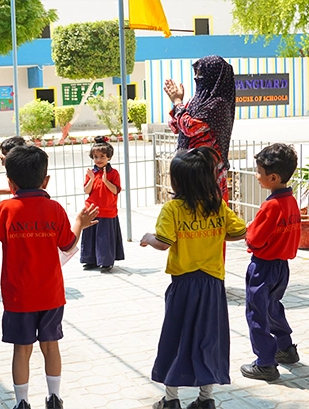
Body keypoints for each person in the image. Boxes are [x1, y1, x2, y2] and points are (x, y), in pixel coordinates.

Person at [0, 145, 99, 409]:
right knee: (51, 346)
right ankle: (55, 397)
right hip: (51, 295)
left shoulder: (5, 209)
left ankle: (22, 402)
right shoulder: (55, 209)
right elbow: (68, 245)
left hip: (18, 297)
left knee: (21, 349)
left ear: (10, 182)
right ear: (45, 180)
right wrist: (80, 222)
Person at [140, 147, 246, 409]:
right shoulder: (218, 206)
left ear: (178, 181)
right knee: (208, 339)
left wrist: (147, 238)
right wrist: (218, 234)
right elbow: (240, 231)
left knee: (175, 337)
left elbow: (164, 242)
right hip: (212, 285)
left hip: (184, 285)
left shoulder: (173, 209)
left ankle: (171, 399)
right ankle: (206, 398)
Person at [240, 143, 301, 381]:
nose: (256, 176)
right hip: (281, 267)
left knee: (257, 313)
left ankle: (265, 362)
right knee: (274, 307)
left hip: (262, 267)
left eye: (259, 172)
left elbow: (255, 240)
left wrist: (249, 230)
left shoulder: (271, 205)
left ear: (273, 177)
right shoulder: (291, 202)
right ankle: (286, 348)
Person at [163, 55, 235, 202]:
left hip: (207, 171)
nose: (197, 78)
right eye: (196, 74)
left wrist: (178, 103)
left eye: (200, 74)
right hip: (190, 168)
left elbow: (190, 127)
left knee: (209, 215)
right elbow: (176, 126)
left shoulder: (218, 104)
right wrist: (179, 105)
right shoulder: (198, 100)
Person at [80, 135, 124, 272]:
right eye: (96, 157)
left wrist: (106, 181)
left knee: (105, 237)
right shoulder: (90, 173)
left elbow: (116, 190)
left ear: (109, 157)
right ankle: (90, 260)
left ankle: (106, 262)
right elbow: (86, 190)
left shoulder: (114, 173)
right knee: (90, 236)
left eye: (102, 157)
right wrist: (91, 180)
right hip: (91, 209)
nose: (98, 160)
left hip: (108, 210)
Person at [0, 136, 26, 200]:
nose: (0, 156)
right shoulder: (15, 170)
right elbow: (18, 189)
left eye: (4, 154)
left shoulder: (25, 171)